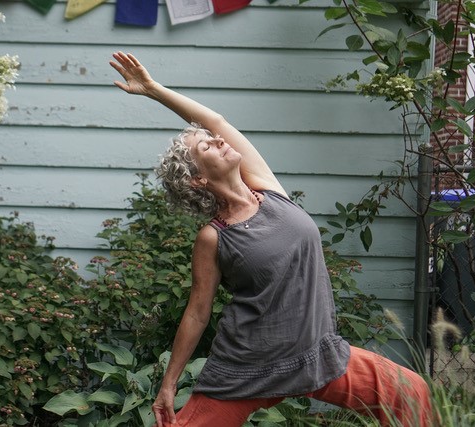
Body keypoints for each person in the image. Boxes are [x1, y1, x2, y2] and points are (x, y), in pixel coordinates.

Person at [109, 51, 433, 427]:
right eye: (205, 146)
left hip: (317, 354)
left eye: (213, 139)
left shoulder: (268, 190)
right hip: (250, 366)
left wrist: (154, 89)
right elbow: (198, 312)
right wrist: (169, 383)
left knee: (412, 395)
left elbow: (215, 120)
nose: (217, 140)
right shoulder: (214, 237)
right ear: (197, 178)